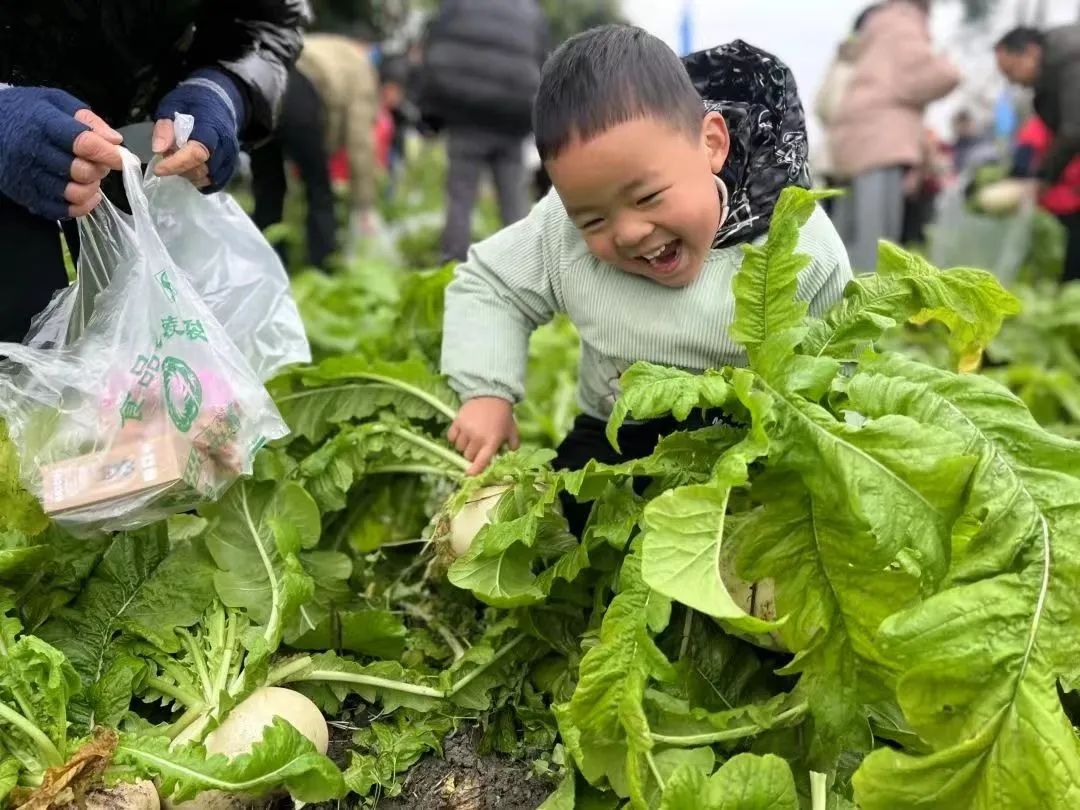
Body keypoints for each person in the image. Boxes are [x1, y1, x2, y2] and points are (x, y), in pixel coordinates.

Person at [439, 25, 853, 528]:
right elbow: (492, 284)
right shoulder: (560, 228)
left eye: (648, 197)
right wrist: (486, 391)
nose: (630, 232)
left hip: (748, 443)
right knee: (553, 538)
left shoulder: (795, 238)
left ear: (712, 145)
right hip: (616, 434)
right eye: (592, 220)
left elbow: (841, 355)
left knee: (765, 551)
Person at [0, 2, 310, 344]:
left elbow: (265, 23)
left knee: (132, 342)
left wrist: (224, 87)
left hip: (137, 146)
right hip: (15, 124)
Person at [828, 0, 960, 270]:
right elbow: (928, 77)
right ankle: (863, 307)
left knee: (849, 235)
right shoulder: (902, 23)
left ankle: (832, 303)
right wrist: (947, 64)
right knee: (877, 241)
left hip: (859, 141)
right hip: (881, 144)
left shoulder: (878, 29)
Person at [419, 0, 549, 263]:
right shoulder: (530, 12)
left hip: (466, 112)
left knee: (460, 197)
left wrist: (431, 117)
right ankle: (524, 266)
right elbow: (542, 61)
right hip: (513, 115)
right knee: (513, 197)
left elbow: (436, 54)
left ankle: (451, 267)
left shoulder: (458, 6)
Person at [251, 32, 379, 271]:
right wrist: (364, 204)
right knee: (319, 189)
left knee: (267, 188)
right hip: (299, 93)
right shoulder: (362, 70)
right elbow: (359, 142)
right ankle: (322, 270)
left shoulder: (328, 47)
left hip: (264, 88)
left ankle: (266, 269)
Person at [995, 25, 1080, 193]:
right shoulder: (1051, 78)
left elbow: (1075, 128)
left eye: (1011, 71)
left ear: (1031, 51)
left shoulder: (1070, 57)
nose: (1012, 81)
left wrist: (1043, 177)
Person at [814, 4, 880, 208]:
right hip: (852, 159)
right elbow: (826, 107)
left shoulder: (843, 62)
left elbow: (822, 106)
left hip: (845, 158)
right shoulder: (850, 64)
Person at [1012, 114, 1080, 282]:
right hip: (1056, 204)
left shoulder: (1039, 124)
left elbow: (1020, 167)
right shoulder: (1044, 124)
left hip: (1054, 204)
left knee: (1056, 263)